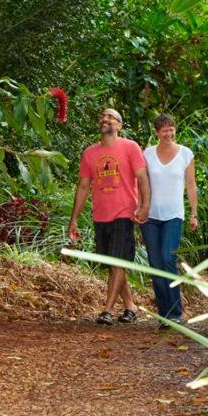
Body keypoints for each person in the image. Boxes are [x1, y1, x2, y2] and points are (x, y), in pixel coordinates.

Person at [68, 108, 151, 325]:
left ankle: (107, 310)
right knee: (114, 263)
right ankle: (130, 305)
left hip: (124, 213)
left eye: (111, 117)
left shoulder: (130, 147)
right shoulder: (89, 153)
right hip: (100, 215)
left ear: (119, 126)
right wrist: (74, 218)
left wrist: (144, 206)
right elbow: (84, 186)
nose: (105, 119)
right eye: (103, 116)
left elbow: (142, 178)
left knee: (116, 261)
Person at [140, 113, 198, 327]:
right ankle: (165, 314)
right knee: (155, 264)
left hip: (174, 215)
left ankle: (176, 313)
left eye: (171, 129)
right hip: (150, 217)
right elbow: (142, 183)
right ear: (157, 132)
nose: (169, 133)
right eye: (164, 130)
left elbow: (191, 184)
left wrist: (194, 213)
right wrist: (140, 208)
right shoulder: (147, 154)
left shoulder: (185, 153)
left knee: (167, 258)